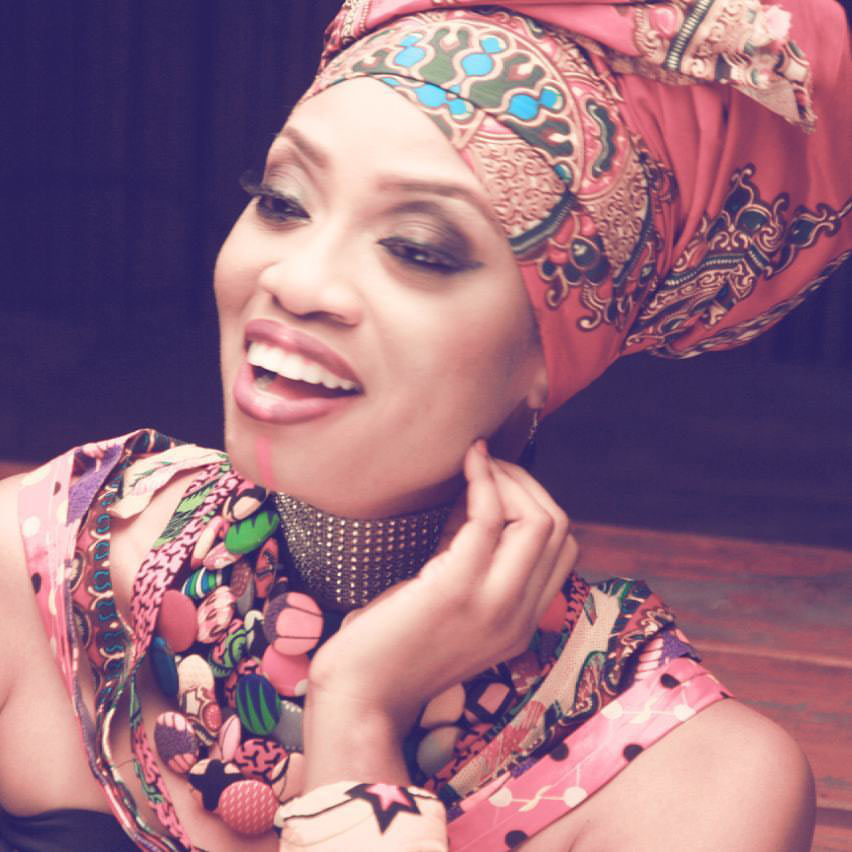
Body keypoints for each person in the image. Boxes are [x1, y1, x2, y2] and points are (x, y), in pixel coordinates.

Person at [1, 0, 849, 849]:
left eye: (417, 249)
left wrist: (359, 712)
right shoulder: (45, 560)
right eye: (283, 202)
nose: (297, 280)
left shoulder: (694, 787)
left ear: (557, 353)